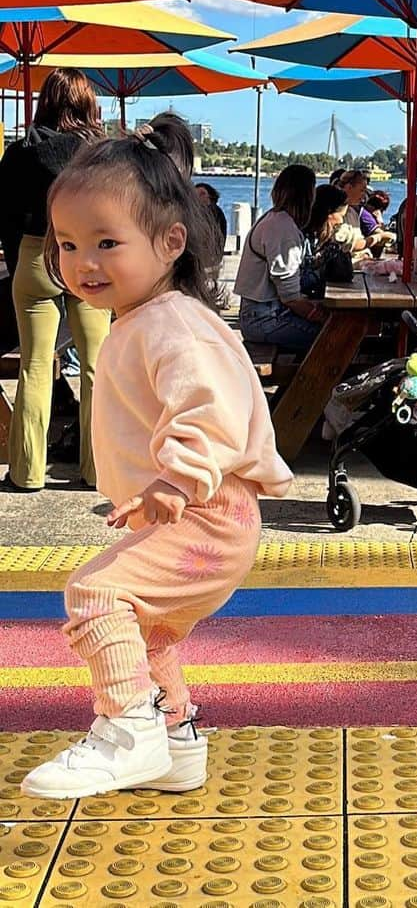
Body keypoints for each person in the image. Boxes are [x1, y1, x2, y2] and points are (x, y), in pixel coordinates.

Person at [19, 119, 292, 799]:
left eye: (108, 243)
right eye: (69, 244)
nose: (85, 263)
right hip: (198, 514)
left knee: (96, 594)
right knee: (150, 631)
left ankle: (127, 730)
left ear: (171, 242)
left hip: (204, 511)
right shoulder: (145, 319)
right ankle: (175, 744)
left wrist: (176, 478)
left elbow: (209, 405)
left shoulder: (171, 324)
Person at [0, 68, 110, 492]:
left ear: (45, 102)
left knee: (35, 366)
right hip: (86, 258)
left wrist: (21, 257)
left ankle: (26, 473)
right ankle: (98, 470)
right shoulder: (99, 153)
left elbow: (3, 213)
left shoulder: (21, 152)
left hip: (33, 253)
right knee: (96, 366)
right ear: (86, 104)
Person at [234, 165, 323, 352]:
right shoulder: (282, 228)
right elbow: (290, 297)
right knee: (335, 338)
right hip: (265, 320)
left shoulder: (274, 219)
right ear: (307, 195)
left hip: (261, 314)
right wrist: (320, 314)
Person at [306, 182, 371, 264]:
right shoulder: (306, 240)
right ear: (329, 213)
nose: (341, 221)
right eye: (341, 215)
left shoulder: (318, 238)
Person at [194, 183, 228, 265]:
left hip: (210, 256)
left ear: (210, 196)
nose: (198, 197)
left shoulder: (214, 212)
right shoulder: (196, 212)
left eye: (202, 194)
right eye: (195, 194)